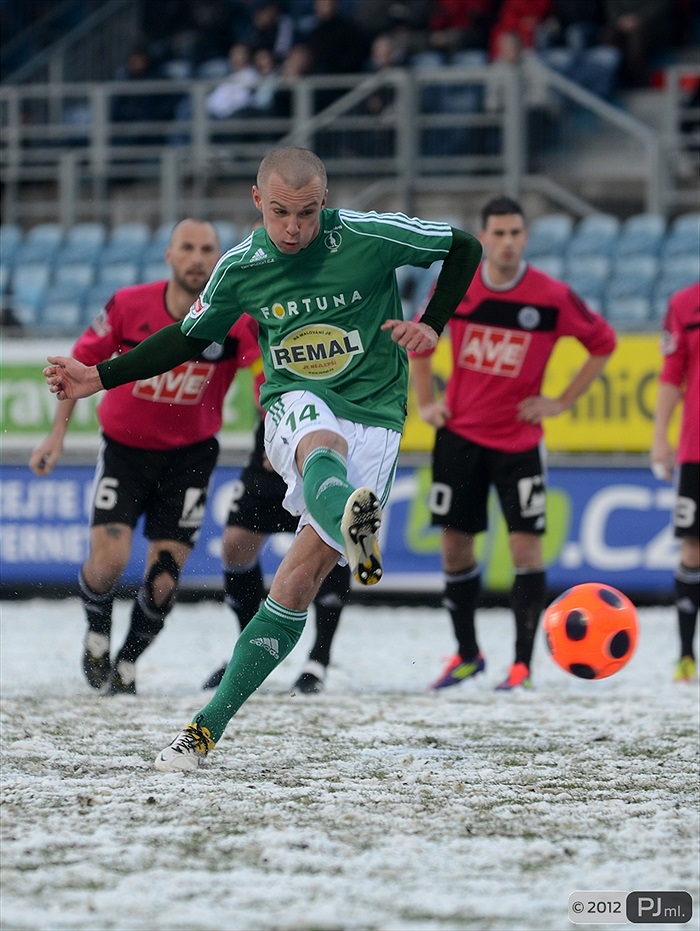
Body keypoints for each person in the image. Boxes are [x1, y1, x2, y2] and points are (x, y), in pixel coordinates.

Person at [43, 145, 483, 771]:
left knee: (295, 582)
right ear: (257, 202)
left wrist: (433, 323)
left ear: (323, 203)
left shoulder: (368, 235)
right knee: (316, 440)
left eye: (306, 213)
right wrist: (101, 376)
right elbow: (188, 338)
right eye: (280, 213)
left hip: (379, 413)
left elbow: (464, 246)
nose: (294, 228)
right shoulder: (240, 267)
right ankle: (348, 512)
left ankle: (206, 726)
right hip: (294, 399)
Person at [31, 219, 260, 695]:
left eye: (208, 249)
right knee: (109, 560)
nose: (198, 258)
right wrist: (56, 436)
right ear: (170, 256)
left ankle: (128, 663)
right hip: (125, 453)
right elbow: (75, 369)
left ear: (219, 258)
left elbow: (269, 372)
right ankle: (97, 631)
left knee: (163, 580)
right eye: (188, 248)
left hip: (191, 459)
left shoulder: (236, 322)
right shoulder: (129, 304)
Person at [411, 195, 616, 691]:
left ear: (526, 237)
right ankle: (467, 655)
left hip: (518, 442)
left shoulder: (549, 296)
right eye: (498, 233)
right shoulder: (457, 285)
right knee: (455, 548)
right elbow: (421, 337)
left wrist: (560, 401)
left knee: (526, 548)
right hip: (460, 437)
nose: (507, 243)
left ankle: (522, 665)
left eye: (515, 233)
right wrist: (426, 402)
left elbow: (602, 342)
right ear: (483, 237)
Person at [202, 416, 351, 695]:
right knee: (235, 545)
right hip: (278, 431)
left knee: (329, 541)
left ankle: (318, 661)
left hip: (329, 435)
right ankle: (249, 652)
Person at [650, 281, 699, 682]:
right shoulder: (684, 303)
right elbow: (672, 373)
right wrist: (659, 437)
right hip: (695, 447)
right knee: (692, 547)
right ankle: (686, 656)